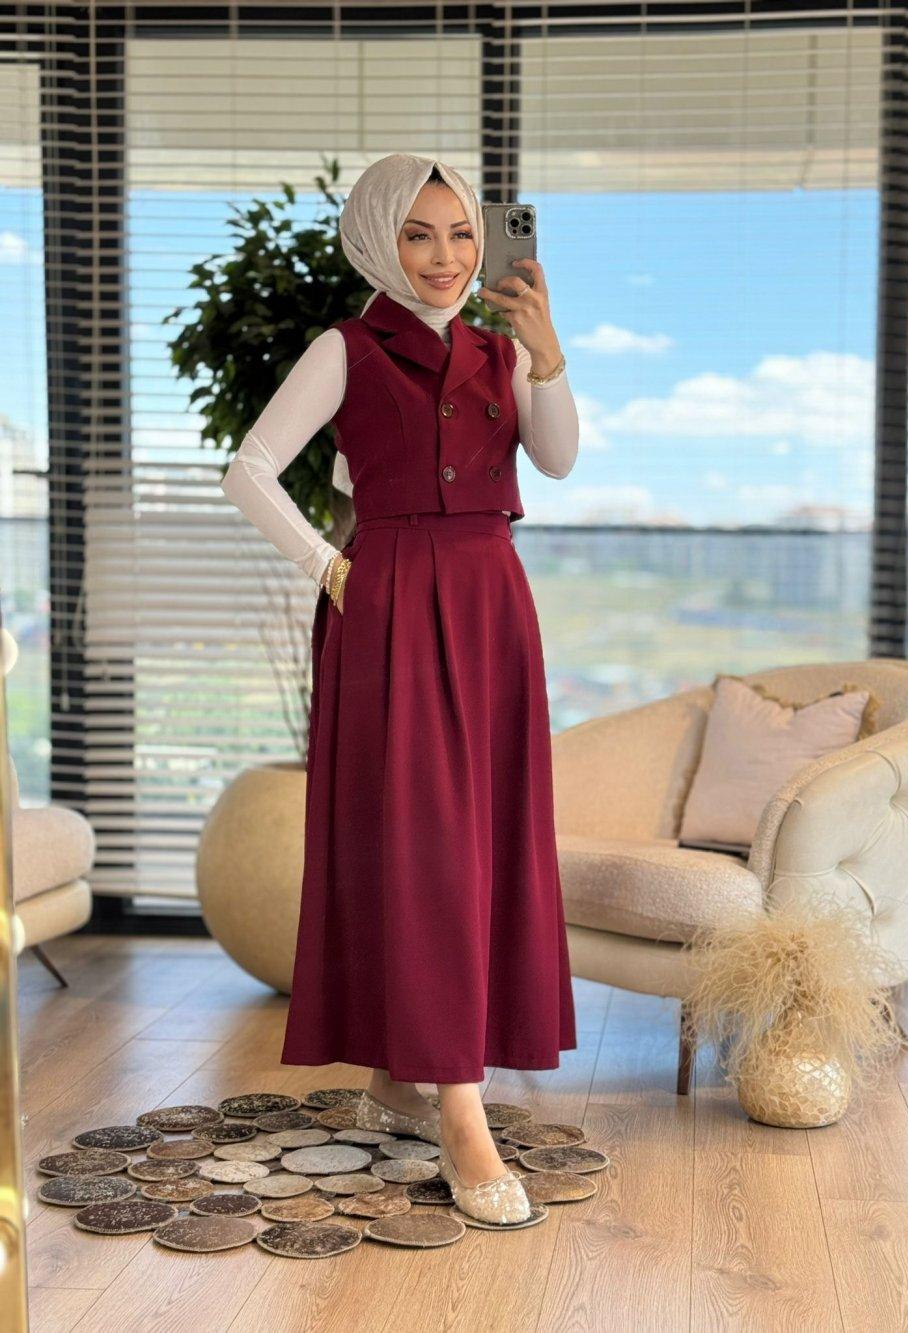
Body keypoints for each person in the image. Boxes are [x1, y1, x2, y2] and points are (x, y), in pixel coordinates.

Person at [220, 153, 579, 1225]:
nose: (445, 255)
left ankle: (394, 1082)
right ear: (380, 238)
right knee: (425, 845)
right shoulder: (347, 347)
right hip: (390, 608)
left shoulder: (503, 348)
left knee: (479, 840)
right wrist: (331, 568)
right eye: (419, 233)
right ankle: (461, 1108)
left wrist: (547, 350)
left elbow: (557, 460)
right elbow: (248, 469)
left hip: (492, 602)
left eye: (461, 232)